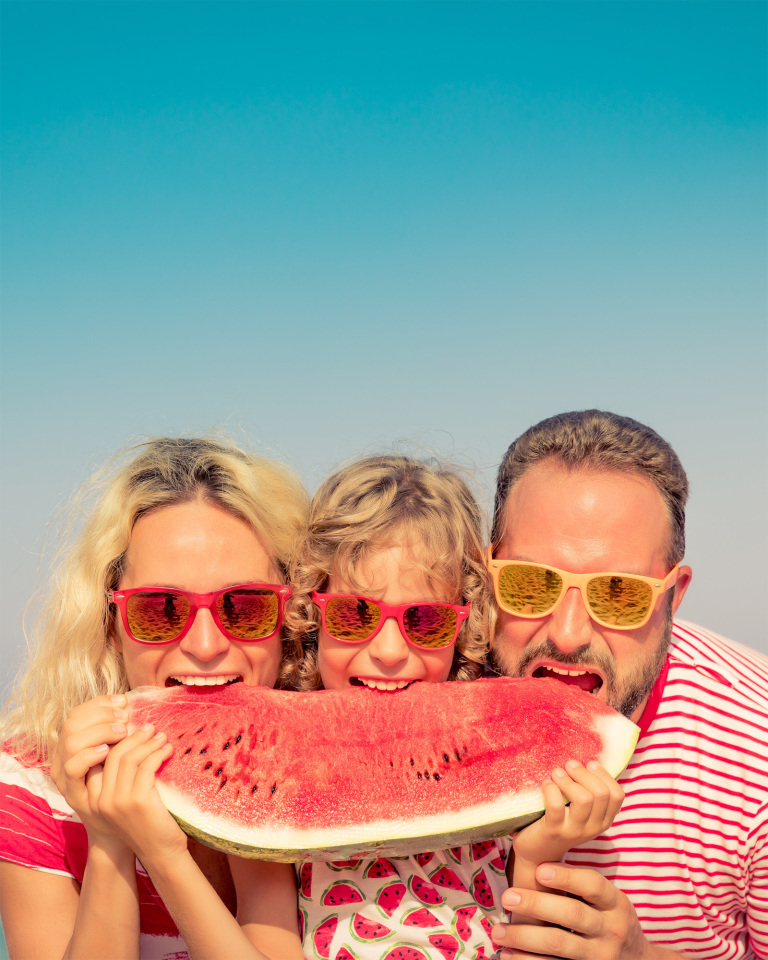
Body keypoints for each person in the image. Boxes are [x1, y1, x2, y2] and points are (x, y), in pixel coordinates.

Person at [235, 453, 622, 960]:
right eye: (354, 615)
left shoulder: (497, 759)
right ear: (312, 611)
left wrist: (538, 855)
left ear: (462, 627)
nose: (391, 652)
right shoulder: (272, 769)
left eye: (425, 621)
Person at [0, 436, 309, 960]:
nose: (206, 646)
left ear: (292, 614)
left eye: (246, 606)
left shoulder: (322, 764)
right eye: (160, 610)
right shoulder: (28, 787)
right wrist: (109, 841)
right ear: (110, 624)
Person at [486, 409, 768, 960]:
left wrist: (643, 955)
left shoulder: (758, 755)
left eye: (618, 593)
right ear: (486, 570)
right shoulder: (423, 666)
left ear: (673, 595)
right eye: (528, 583)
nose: (567, 636)